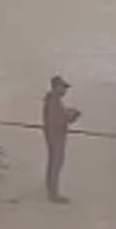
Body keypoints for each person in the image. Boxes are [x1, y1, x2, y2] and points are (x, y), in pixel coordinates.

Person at [42, 75, 81, 204]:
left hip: (54, 134)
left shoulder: (52, 99)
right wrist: (72, 115)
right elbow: (58, 119)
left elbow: (59, 115)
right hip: (55, 135)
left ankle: (51, 189)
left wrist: (69, 114)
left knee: (54, 162)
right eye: (63, 87)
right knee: (56, 163)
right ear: (56, 87)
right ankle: (53, 194)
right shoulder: (53, 100)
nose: (65, 90)